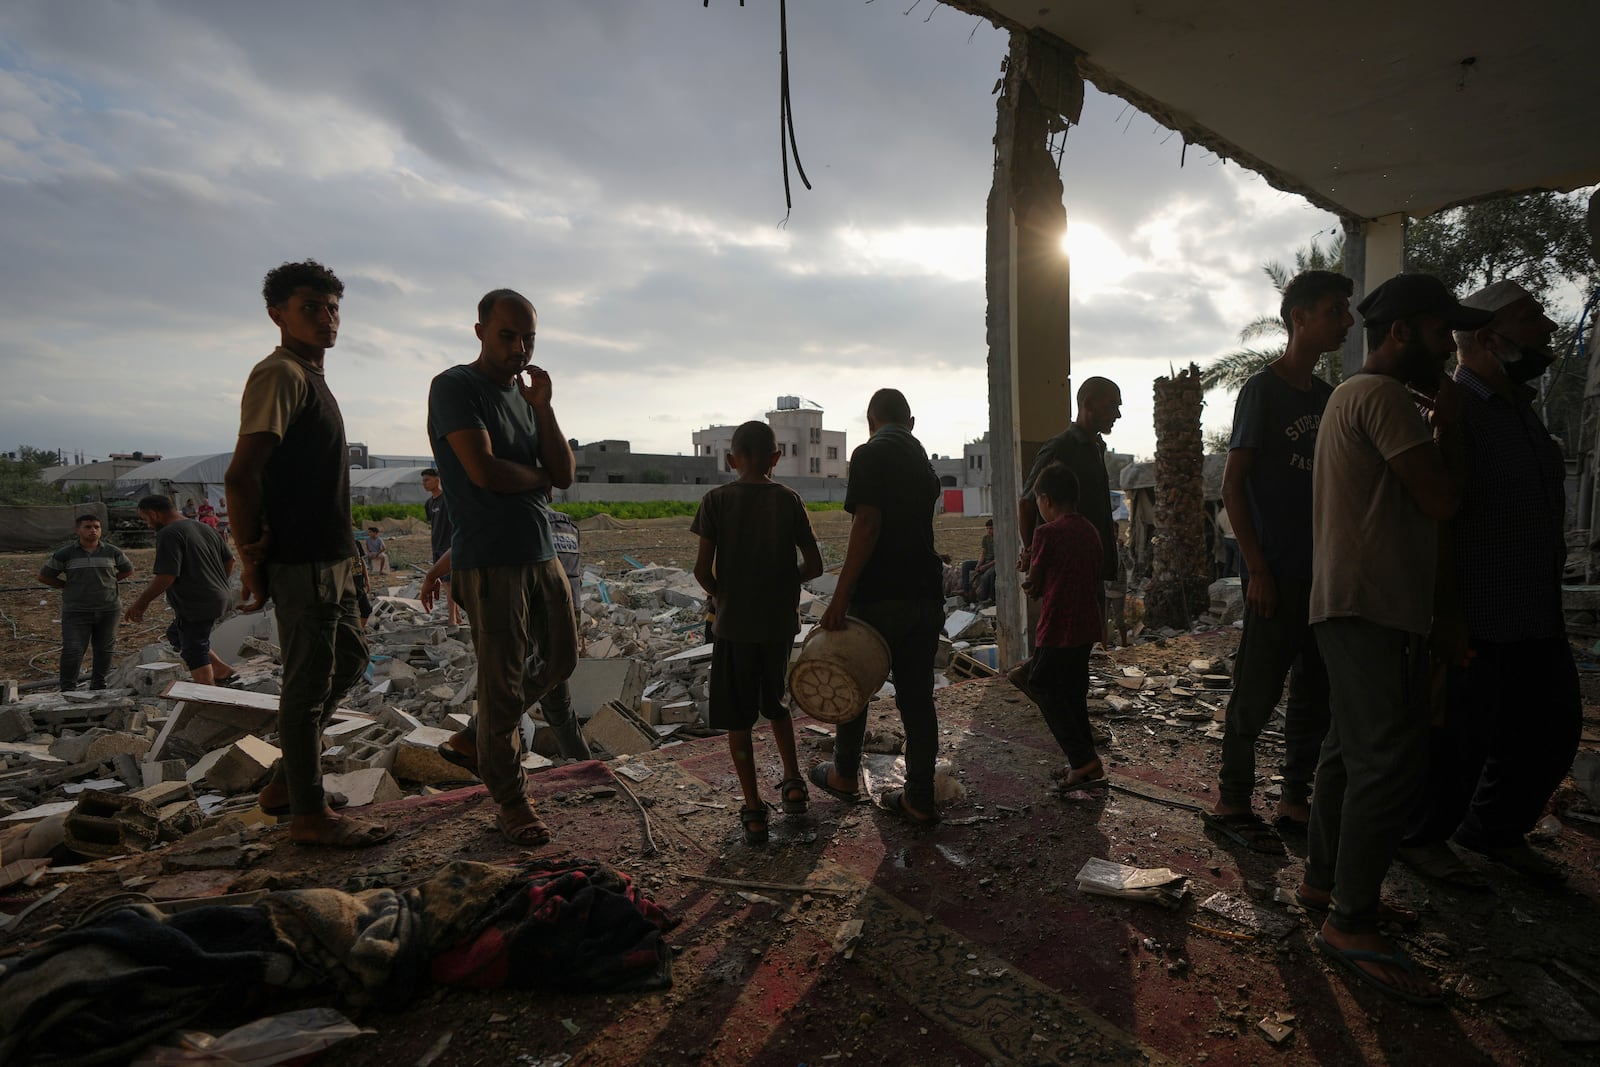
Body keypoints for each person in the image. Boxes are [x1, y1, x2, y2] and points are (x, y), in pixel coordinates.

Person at [1299, 273, 1488, 1006]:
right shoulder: (1379, 396)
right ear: (1403, 332)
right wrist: (1452, 431)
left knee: (1349, 752)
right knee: (1386, 762)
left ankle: (1326, 882)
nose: (1452, 349)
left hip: (1359, 607)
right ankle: (1351, 920)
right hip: (1369, 608)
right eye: (1444, 333)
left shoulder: (1358, 397)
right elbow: (1441, 498)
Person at [1399, 279, 1577, 890]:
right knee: (1456, 740)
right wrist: (1445, 615)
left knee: (1551, 729)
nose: (1546, 331)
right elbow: (1436, 522)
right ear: (1485, 338)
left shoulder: (1521, 412)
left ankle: (1492, 831)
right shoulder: (1453, 414)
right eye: (1530, 319)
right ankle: (1421, 839)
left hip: (1534, 609)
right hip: (1475, 612)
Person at [224, 259, 387, 848]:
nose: (327, 318)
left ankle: (284, 785)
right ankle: (308, 816)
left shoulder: (312, 377)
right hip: (305, 562)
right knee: (307, 684)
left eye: (333, 307)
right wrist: (251, 557)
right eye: (311, 308)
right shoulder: (280, 375)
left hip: (336, 557)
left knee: (346, 663)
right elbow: (242, 477)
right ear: (277, 315)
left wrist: (358, 566)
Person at [1205, 270, 1352, 852]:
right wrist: (1258, 569)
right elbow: (1234, 487)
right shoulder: (1261, 393)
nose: (1345, 322)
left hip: (1323, 579)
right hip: (1276, 577)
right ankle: (1232, 801)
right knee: (1256, 693)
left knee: (1314, 692)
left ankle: (1295, 800)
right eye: (1334, 311)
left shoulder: (1328, 398)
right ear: (1299, 319)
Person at [427, 288, 577, 847]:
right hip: (490, 558)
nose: (519, 348)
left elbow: (562, 472)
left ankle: (476, 738)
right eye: (508, 335)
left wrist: (543, 407)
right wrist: (536, 477)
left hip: (541, 550)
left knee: (561, 658)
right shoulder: (455, 387)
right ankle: (511, 801)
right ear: (480, 332)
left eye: (528, 338)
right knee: (502, 678)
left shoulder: (524, 396)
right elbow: (485, 471)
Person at [810, 389, 944, 825]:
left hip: (881, 594)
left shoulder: (870, 454)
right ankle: (919, 797)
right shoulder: (922, 459)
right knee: (917, 699)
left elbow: (867, 524)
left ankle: (845, 774)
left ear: (871, 420)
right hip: (925, 593)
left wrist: (841, 595)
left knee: (856, 681)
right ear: (910, 421)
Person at [691, 421, 825, 845]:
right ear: (776, 458)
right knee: (777, 704)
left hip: (734, 626)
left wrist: (723, 595)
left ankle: (753, 810)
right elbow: (815, 565)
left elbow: (701, 571)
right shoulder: (789, 500)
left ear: (731, 460)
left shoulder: (716, 501)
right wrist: (784, 584)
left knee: (738, 718)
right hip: (778, 624)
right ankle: (793, 783)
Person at [1010, 377, 1121, 689]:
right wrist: (1032, 554)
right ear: (1087, 404)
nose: (1118, 414)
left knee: (1081, 642)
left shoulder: (1096, 448)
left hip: (1090, 564)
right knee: (1071, 643)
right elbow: (1027, 502)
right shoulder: (1061, 447)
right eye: (1112, 404)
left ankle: (1047, 690)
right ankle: (1054, 699)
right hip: (1067, 569)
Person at [1021, 463, 1106, 791]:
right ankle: (1085, 764)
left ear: (1046, 500)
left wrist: (1029, 578)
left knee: (1041, 683)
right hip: (1087, 624)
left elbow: (1036, 584)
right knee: (1073, 692)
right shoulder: (1090, 530)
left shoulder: (1046, 533)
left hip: (1058, 624)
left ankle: (1082, 758)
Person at [123, 495, 238, 686]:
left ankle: (208, 695)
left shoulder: (169, 533)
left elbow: (166, 576)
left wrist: (140, 604)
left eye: (146, 519)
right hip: (219, 597)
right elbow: (230, 560)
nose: (148, 525)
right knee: (176, 634)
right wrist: (216, 583)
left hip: (196, 601)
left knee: (194, 649)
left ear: (154, 513)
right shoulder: (203, 527)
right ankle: (221, 670)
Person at [38, 514, 133, 692]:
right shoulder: (65, 553)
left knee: (104, 649)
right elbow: (45, 576)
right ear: (78, 530)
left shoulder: (112, 551)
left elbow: (128, 570)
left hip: (108, 609)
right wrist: (68, 586)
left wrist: (108, 583)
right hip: (76, 610)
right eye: (88, 527)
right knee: (73, 650)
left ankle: (98, 687)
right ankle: (67, 690)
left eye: (96, 527)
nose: (93, 530)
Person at [421, 467, 461, 625]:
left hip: (448, 547)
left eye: (427, 480)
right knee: (446, 584)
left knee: (449, 584)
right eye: (423, 481)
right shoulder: (429, 503)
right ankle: (456, 616)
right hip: (436, 546)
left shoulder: (448, 499)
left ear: (437, 479)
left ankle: (453, 619)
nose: (424, 484)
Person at [968, 518, 997, 604]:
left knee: (988, 574)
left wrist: (985, 567)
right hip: (985, 562)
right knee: (966, 565)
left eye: (991, 528)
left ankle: (987, 598)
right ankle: (965, 589)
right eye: (987, 529)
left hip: (994, 563)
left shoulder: (999, 539)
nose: (989, 531)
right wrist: (978, 565)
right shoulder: (985, 538)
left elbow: (998, 559)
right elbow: (983, 553)